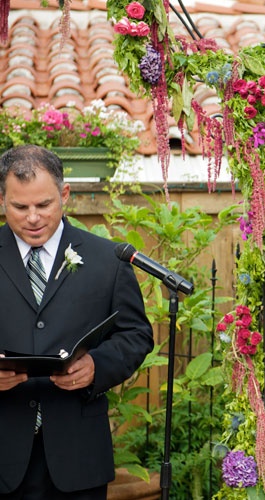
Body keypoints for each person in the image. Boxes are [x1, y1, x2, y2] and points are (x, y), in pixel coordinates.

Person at [0, 145, 153, 499]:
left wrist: (97, 366)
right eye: (20, 207)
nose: (33, 217)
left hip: (79, 457)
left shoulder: (109, 260)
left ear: (64, 194)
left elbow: (136, 334)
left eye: (44, 205)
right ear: (2, 199)